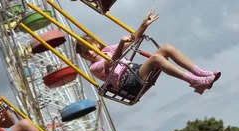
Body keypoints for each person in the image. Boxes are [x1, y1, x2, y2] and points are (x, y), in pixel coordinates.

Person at [75, 10, 221, 96]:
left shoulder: (108, 49)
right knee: (156, 58)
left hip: (136, 71)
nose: (90, 54)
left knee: (167, 48)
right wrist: (120, 43)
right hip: (128, 82)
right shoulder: (94, 68)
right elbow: (111, 62)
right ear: (84, 58)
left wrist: (143, 25)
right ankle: (194, 81)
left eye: (90, 48)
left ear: (95, 43)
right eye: (86, 54)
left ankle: (201, 74)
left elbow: (132, 40)